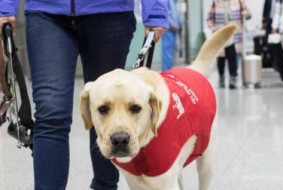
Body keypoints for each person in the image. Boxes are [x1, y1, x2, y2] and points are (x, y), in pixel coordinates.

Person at [0, 1, 168, 189]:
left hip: (110, 11)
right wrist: (4, 7)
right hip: (46, 11)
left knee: (110, 109)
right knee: (50, 114)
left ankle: (105, 186)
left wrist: (155, 10)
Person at [207, 0, 251, 89]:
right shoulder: (216, 2)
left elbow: (248, 13)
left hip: (233, 34)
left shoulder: (238, 1)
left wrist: (244, 13)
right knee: (221, 58)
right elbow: (209, 18)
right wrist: (213, 28)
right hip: (220, 34)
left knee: (232, 56)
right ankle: (221, 78)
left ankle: (233, 79)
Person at [161, 0, 181, 71]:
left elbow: (175, 14)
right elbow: (164, 11)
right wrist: (172, 24)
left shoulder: (174, 2)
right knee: (167, 52)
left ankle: (169, 70)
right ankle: (166, 72)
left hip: (174, 29)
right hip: (168, 29)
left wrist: (179, 24)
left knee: (171, 52)